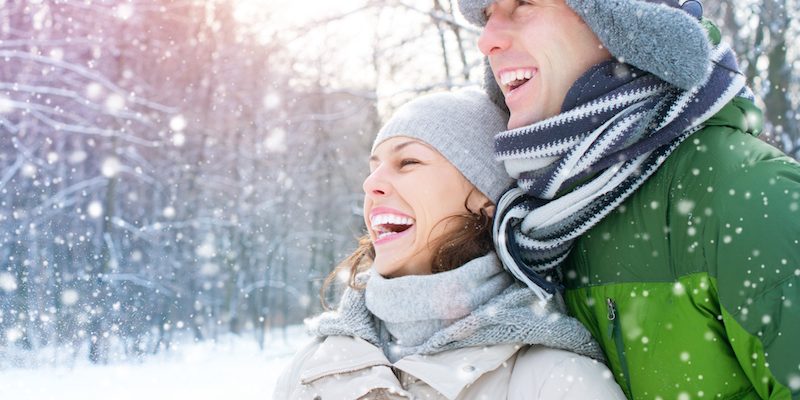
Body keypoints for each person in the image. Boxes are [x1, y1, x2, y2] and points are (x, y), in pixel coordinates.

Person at [457, 0, 800, 398]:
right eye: (486, 16)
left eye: (523, 4)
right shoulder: (534, 230)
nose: (486, 40)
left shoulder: (747, 195)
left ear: (625, 20)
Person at [273, 89, 626, 399]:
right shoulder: (313, 371)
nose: (371, 185)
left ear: (487, 201)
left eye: (408, 161)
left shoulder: (554, 382)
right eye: (374, 167)